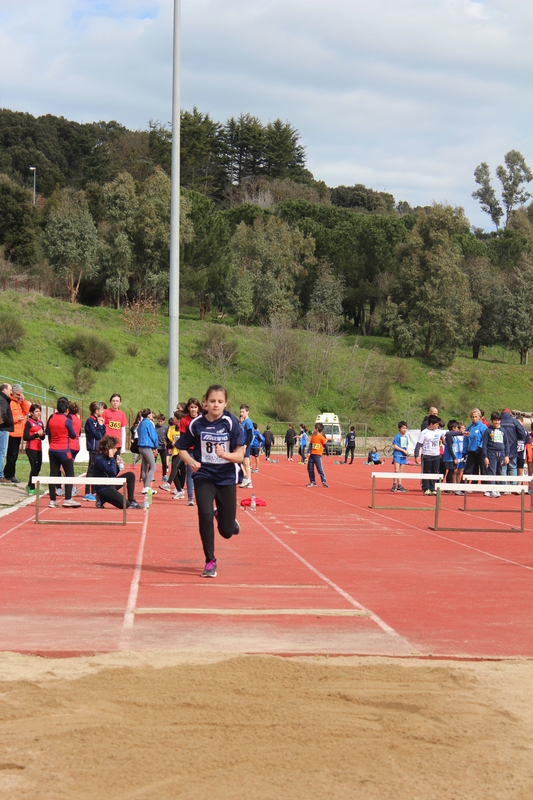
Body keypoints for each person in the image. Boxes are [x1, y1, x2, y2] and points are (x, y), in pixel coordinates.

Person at [178, 384, 245, 579]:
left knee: (226, 532)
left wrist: (226, 455)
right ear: (205, 403)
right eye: (212, 401)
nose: (216, 405)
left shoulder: (231, 423)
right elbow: (181, 448)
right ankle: (210, 560)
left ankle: (223, 517)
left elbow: (240, 456)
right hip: (204, 476)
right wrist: (191, 461)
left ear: (226, 403)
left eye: (220, 402)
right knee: (204, 513)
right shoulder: (196, 424)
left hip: (226, 478)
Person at [46, 397, 80, 508]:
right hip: (64, 450)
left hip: (52, 450)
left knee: (53, 474)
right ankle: (68, 498)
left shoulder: (51, 418)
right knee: (70, 473)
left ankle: (52, 500)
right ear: (67, 409)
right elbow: (73, 435)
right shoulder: (67, 420)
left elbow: (49, 433)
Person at [92, 435, 142, 509]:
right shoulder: (100, 460)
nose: (116, 450)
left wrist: (118, 467)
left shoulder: (108, 458)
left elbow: (113, 474)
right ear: (109, 449)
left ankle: (131, 500)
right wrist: (112, 459)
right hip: (103, 488)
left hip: (109, 483)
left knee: (130, 475)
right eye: (114, 448)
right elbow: (111, 472)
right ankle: (102, 497)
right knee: (125, 505)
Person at [175, 397, 202, 503]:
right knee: (190, 472)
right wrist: (184, 454)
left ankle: (202, 496)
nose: (193, 410)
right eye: (191, 407)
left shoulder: (202, 418)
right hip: (190, 451)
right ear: (188, 408)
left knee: (202, 473)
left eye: (195, 407)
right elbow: (182, 438)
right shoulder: (185, 420)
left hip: (201, 450)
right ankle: (190, 497)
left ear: (198, 408)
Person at [5, 384, 30, 483]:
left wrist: (23, 400)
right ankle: (9, 475)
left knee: (15, 455)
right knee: (11, 455)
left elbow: (27, 410)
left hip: (19, 432)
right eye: (17, 394)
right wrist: (16, 419)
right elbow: (6, 416)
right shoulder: (9, 402)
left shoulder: (18, 402)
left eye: (20, 394)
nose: (18, 396)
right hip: (12, 432)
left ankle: (10, 473)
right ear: (12, 392)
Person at [482, 412, 509, 497]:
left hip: (501, 453)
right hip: (491, 453)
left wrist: (506, 455)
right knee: (492, 471)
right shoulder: (488, 431)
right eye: (495, 420)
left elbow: (506, 443)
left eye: (498, 420)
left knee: (499, 471)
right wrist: (485, 456)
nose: (497, 422)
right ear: (492, 420)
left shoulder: (503, 430)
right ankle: (492, 490)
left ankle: (497, 489)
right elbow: (484, 444)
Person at [84, 401, 106, 501]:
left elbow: (103, 433)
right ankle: (87, 492)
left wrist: (102, 425)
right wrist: (100, 425)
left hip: (98, 447)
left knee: (96, 470)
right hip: (93, 447)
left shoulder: (97, 420)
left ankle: (94, 491)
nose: (103, 411)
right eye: (101, 409)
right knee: (91, 469)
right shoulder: (90, 421)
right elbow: (97, 435)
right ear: (96, 411)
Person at [414, 414, 441, 495]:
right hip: (427, 455)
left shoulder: (438, 431)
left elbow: (449, 433)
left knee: (435, 472)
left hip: (436, 455)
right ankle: (426, 488)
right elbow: (418, 444)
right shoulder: (424, 432)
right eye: (436, 424)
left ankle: (433, 488)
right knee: (427, 472)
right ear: (431, 424)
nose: (437, 426)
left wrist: (461, 433)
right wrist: (416, 455)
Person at [23, 403, 45, 494]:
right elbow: (25, 437)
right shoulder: (29, 423)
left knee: (38, 466)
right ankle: (31, 487)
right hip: (30, 447)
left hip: (38, 448)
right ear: (31, 413)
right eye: (36, 411)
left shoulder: (40, 423)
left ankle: (30, 485)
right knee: (34, 465)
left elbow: (43, 437)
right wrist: (36, 434)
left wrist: (42, 434)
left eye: (39, 411)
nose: (38, 413)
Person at [500, 408, 525, 487]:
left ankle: (504, 486)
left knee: (503, 467)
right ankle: (513, 486)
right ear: (509, 413)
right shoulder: (514, 421)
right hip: (513, 447)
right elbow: (522, 433)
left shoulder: (498, 421)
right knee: (513, 467)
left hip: (501, 448)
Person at [163, 411, 185, 500]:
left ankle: (168, 483)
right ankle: (180, 491)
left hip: (182, 452)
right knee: (176, 471)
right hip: (175, 452)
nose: (173, 418)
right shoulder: (171, 428)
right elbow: (167, 442)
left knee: (175, 467)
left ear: (178, 418)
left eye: (175, 417)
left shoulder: (184, 429)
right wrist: (171, 444)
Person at [137, 409, 159, 494]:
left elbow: (138, 433)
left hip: (141, 446)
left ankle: (145, 487)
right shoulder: (149, 423)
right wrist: (155, 446)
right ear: (149, 415)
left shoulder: (141, 423)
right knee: (153, 467)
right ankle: (146, 487)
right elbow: (154, 435)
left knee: (144, 467)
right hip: (147, 446)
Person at [464, 408, 486, 479]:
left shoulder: (483, 427)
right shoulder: (469, 427)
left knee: (483, 469)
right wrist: (465, 450)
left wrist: (480, 447)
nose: (474, 418)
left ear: (479, 417)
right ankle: (464, 487)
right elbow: (465, 439)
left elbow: (484, 438)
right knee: (469, 470)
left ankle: (486, 486)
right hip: (471, 451)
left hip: (480, 451)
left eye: (476, 417)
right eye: (473, 417)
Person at [306, 422, 329, 488]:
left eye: (314, 428)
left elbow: (325, 445)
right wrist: (308, 452)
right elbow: (310, 445)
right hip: (312, 455)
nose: (313, 429)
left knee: (320, 469)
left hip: (318, 456)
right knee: (310, 468)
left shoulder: (321, 438)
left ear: (317, 429)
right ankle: (313, 481)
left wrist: (327, 453)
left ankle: (324, 481)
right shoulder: (313, 437)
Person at [0, 383, 14, 484]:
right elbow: (3, 415)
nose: (11, 392)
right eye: (10, 390)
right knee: (2, 452)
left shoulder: (4, 399)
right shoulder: (2, 400)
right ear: (4, 390)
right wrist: (11, 421)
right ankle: (0, 475)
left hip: (3, 428)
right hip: (3, 429)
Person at [391, 421, 409, 492]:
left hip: (403, 456)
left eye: (406, 428)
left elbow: (407, 445)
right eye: (403, 428)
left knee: (401, 471)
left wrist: (407, 451)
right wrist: (402, 450)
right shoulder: (397, 436)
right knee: (396, 470)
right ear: (399, 429)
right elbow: (395, 446)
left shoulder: (406, 437)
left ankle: (400, 485)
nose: (404, 430)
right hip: (398, 455)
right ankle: (394, 484)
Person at [239, 404, 254, 488]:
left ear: (247, 412)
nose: (241, 413)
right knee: (244, 462)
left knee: (246, 461)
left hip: (246, 444)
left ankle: (248, 479)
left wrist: (245, 446)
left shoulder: (248, 422)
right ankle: (248, 480)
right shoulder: (244, 422)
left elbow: (250, 435)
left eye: (243, 412)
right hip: (242, 443)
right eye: (240, 411)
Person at [155, 413, 169, 481]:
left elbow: (168, 437)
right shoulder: (155, 427)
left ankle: (164, 475)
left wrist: (166, 441)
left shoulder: (166, 428)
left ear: (163, 421)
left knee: (164, 461)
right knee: (153, 461)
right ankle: (151, 475)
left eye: (161, 421)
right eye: (159, 421)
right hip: (156, 447)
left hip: (163, 447)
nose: (160, 423)